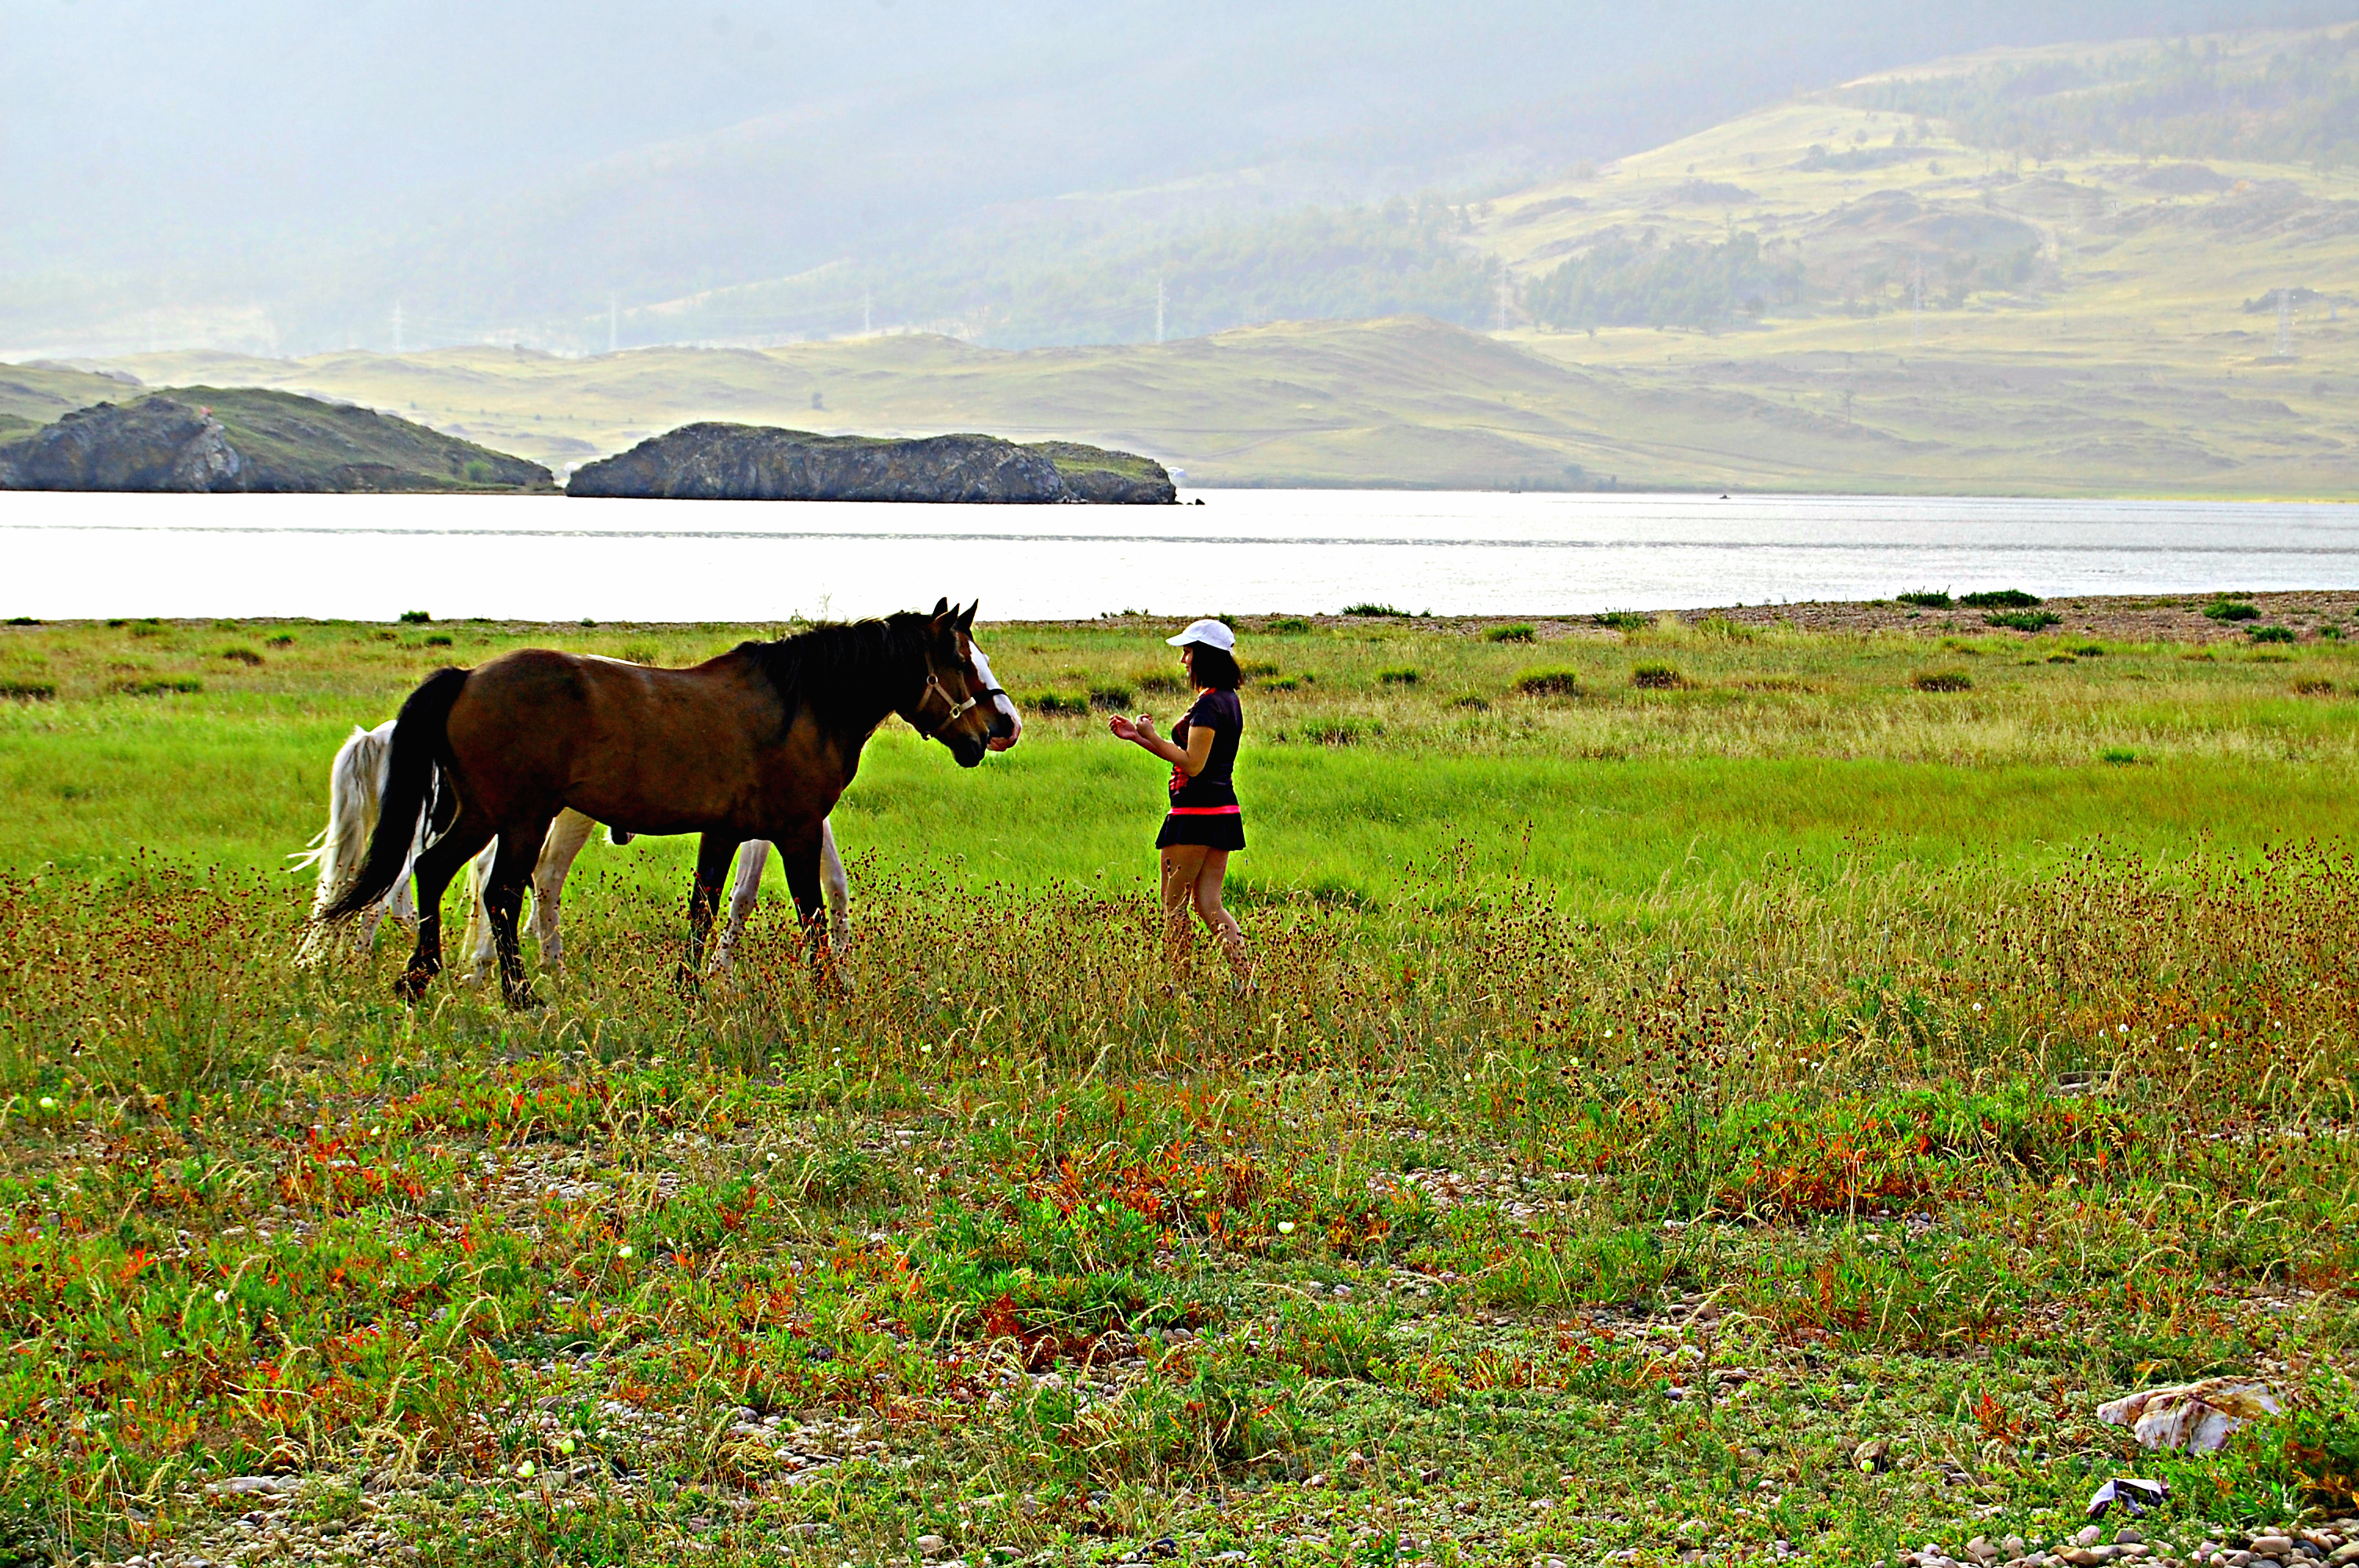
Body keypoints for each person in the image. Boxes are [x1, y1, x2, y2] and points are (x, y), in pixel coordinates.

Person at [1109, 618, 1252, 985]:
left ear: (1203, 655)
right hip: (1222, 812)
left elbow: (1192, 763)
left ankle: (1178, 985)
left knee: (1173, 905)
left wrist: (1151, 735)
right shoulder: (1228, 700)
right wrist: (1138, 738)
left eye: (1188, 652)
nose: (1184, 660)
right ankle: (1246, 982)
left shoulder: (1207, 707)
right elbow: (1191, 756)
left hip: (1194, 814)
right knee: (1209, 904)